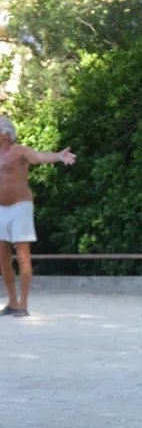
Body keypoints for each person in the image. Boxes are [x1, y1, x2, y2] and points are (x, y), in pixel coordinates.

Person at [0, 117, 76, 317]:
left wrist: (59, 156)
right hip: (0, 209)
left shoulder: (21, 151)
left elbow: (39, 157)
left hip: (20, 207)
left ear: (6, 133)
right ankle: (12, 302)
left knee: (23, 254)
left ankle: (23, 304)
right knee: (3, 257)